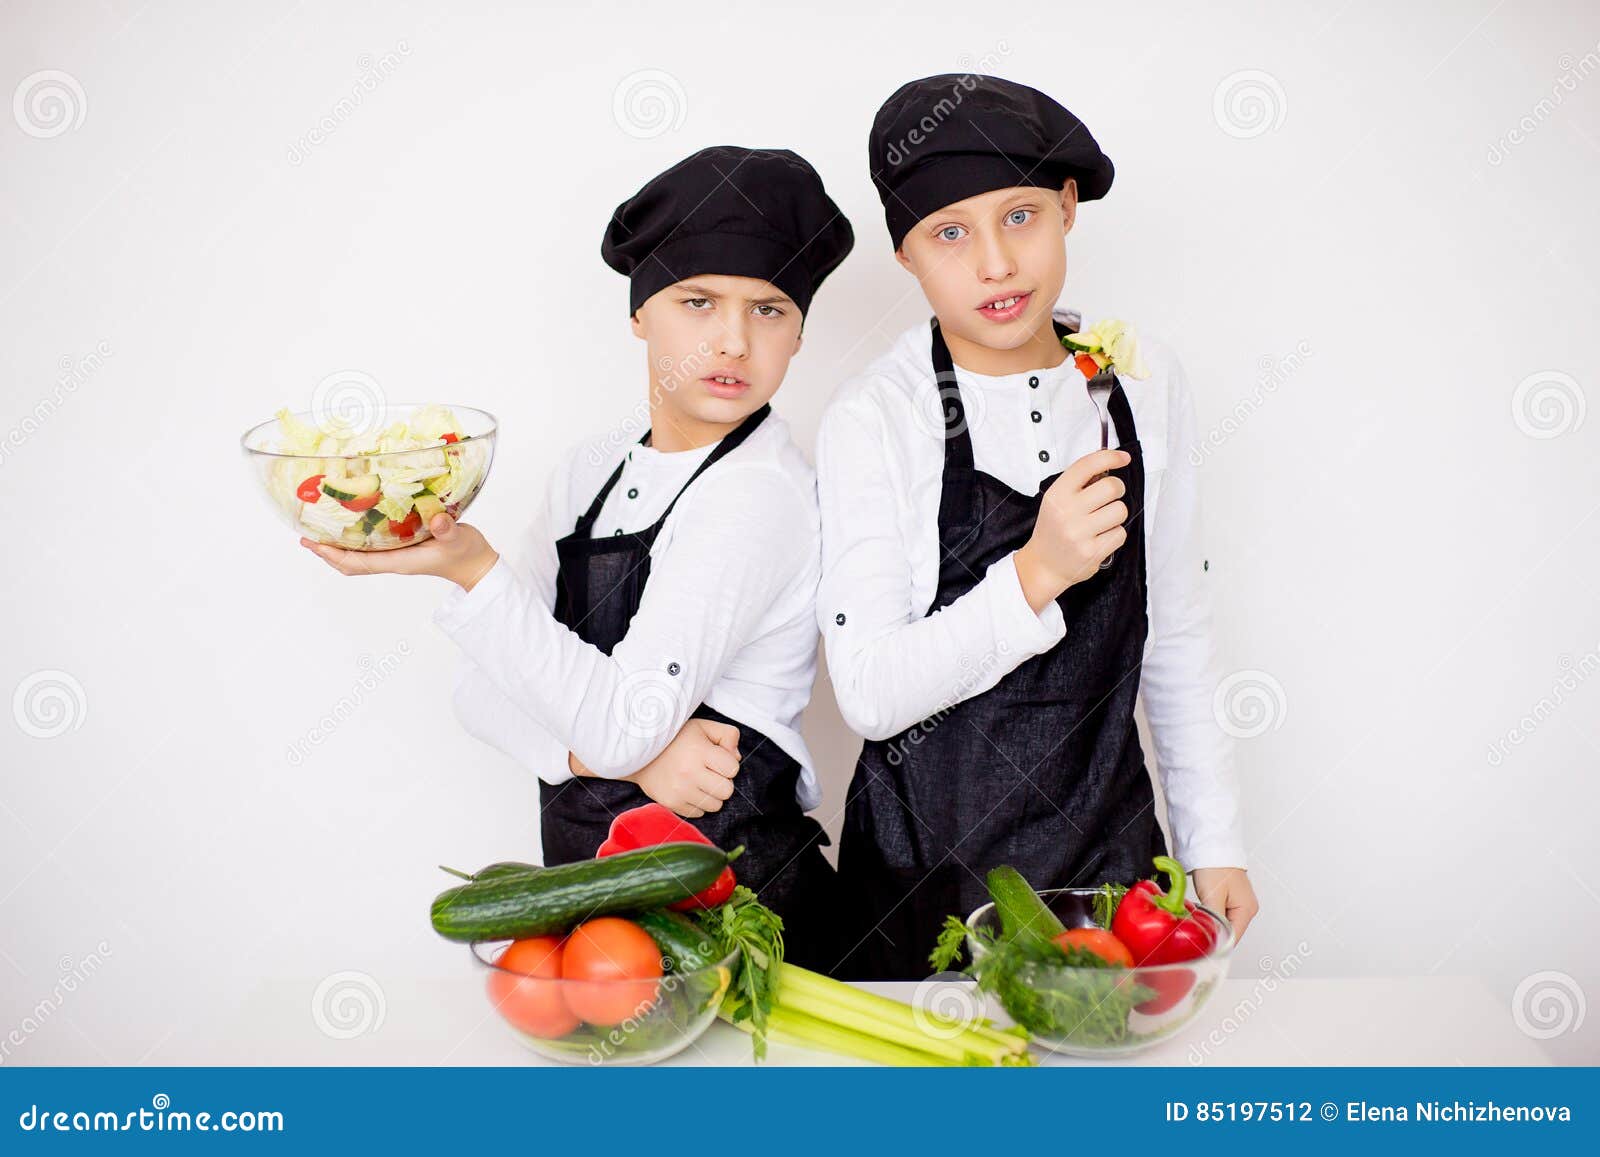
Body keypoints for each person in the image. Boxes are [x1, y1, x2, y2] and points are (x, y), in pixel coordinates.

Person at [302, 145, 854, 971]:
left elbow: (619, 715)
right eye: (698, 302)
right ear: (641, 315)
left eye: (769, 309)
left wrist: (471, 569)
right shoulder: (592, 469)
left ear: (800, 330)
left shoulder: (759, 492)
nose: (734, 341)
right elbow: (477, 693)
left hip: (747, 921)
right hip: (607, 925)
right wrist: (604, 756)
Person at [815, 75, 1258, 979]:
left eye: (1020, 216)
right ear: (906, 256)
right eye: (950, 233)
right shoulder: (877, 416)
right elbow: (868, 692)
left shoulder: (1138, 382)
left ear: (1066, 207)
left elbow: (1173, 630)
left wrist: (1216, 836)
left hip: (1108, 869)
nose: (995, 263)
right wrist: (1036, 572)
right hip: (919, 884)